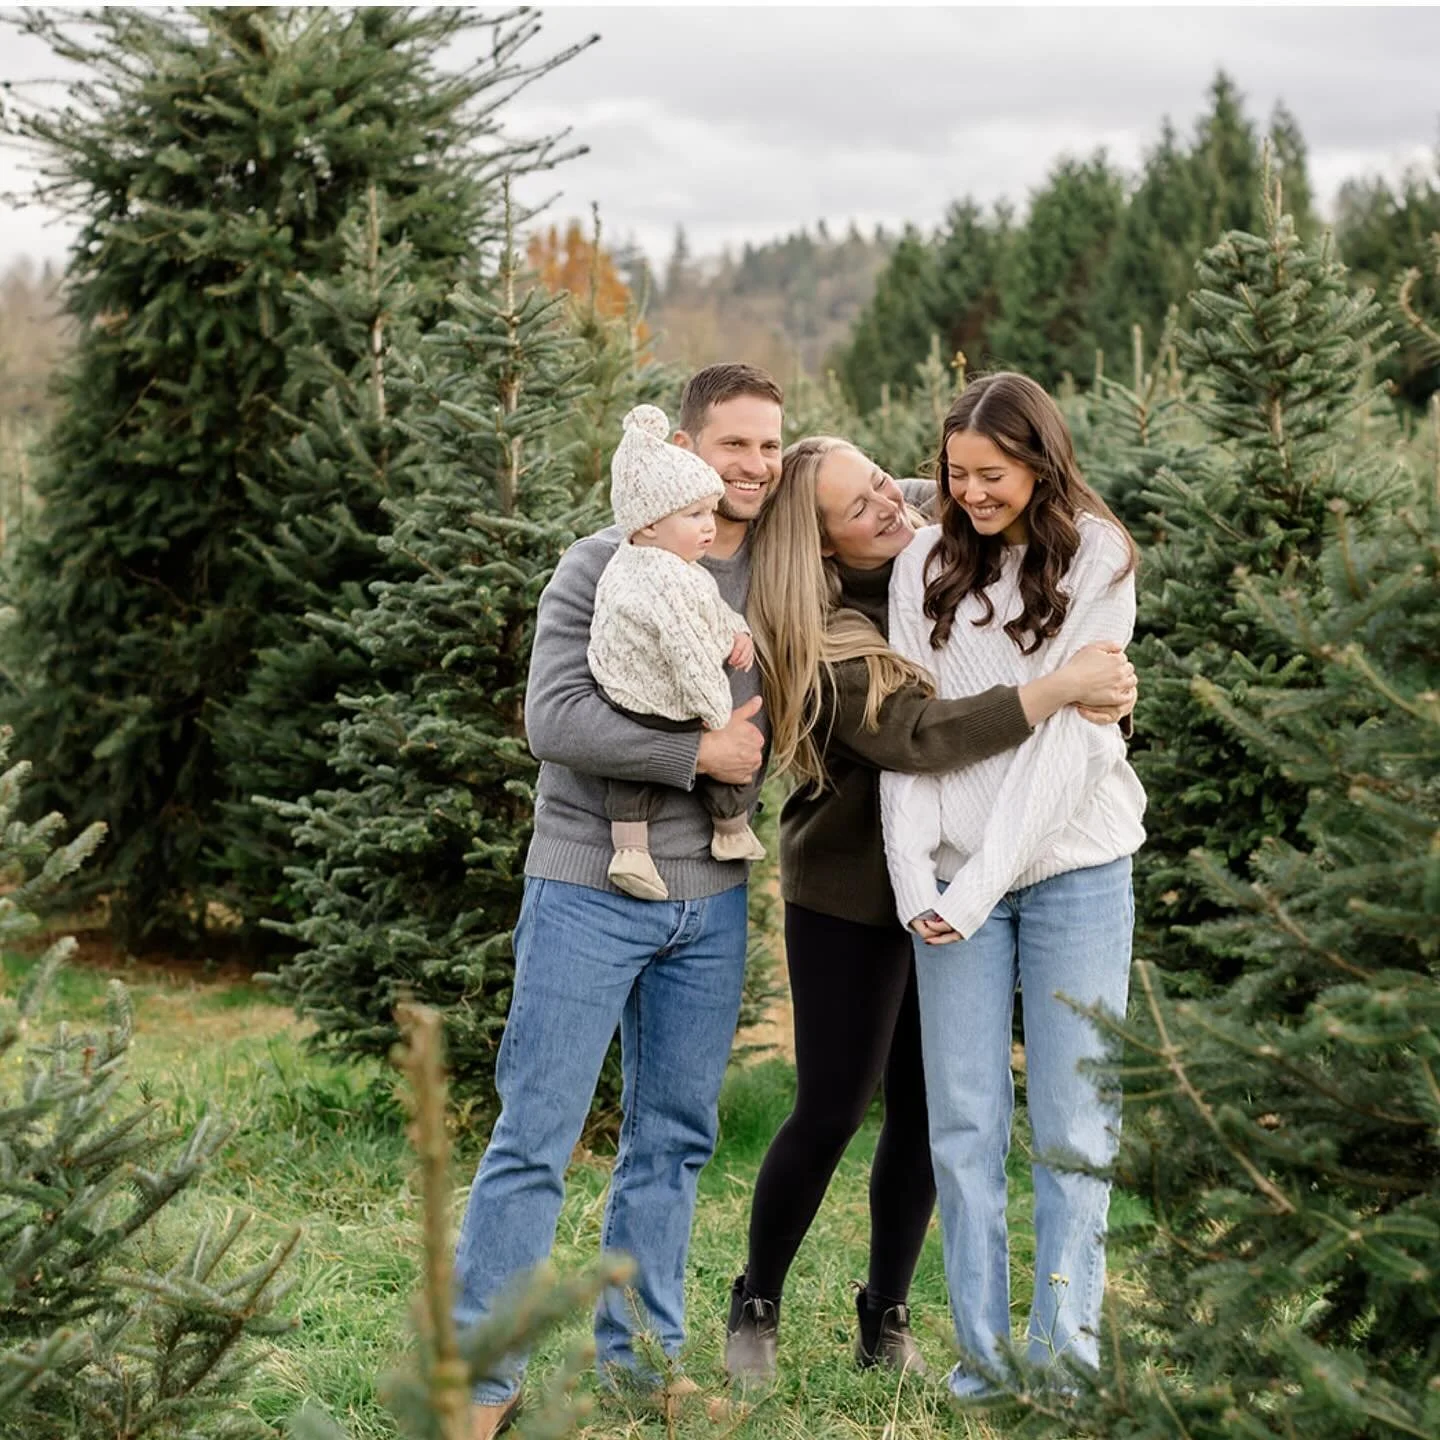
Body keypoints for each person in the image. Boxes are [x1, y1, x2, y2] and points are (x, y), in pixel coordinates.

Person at [723, 434, 1136, 1382]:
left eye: (881, 480)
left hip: (963, 878)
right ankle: (757, 1298)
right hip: (853, 892)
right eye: (860, 506)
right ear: (822, 546)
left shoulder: (930, 549)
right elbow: (920, 736)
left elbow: (1026, 489)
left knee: (926, 1109)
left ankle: (887, 1313)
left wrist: (1106, 686)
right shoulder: (819, 631)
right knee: (835, 1101)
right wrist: (1057, 690)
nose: (889, 502)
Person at [453, 363, 781, 1440]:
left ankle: (641, 1363)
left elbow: (888, 499)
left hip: (712, 899)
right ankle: (482, 1384)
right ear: (686, 447)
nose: (755, 466)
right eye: (735, 446)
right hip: (590, 884)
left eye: (771, 447)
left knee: (674, 1138)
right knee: (537, 1134)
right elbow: (553, 720)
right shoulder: (599, 564)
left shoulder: (764, 575)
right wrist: (700, 751)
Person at [880, 372, 1146, 1400]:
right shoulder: (925, 561)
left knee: (1076, 1120)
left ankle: (1066, 1351)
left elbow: (1074, 746)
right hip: (948, 886)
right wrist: (917, 886)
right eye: (956, 474)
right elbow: (911, 738)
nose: (972, 492)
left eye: (992, 475)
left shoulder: (1100, 557)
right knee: (965, 1122)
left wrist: (983, 882)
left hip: (1074, 863)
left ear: (1040, 462)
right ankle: (984, 1359)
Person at [588, 403, 766, 903]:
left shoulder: (682, 565)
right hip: (649, 696)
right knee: (633, 782)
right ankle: (636, 851)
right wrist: (715, 721)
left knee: (667, 772)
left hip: (709, 893)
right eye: (694, 515)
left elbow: (711, 605)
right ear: (647, 527)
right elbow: (687, 649)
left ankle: (726, 833)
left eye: (710, 511)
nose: (708, 525)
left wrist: (737, 630)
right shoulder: (657, 576)